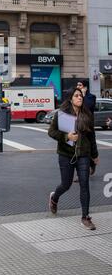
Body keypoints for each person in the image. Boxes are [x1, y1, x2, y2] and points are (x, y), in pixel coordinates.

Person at [48, 87, 99, 230]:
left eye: (81, 95)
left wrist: (94, 155)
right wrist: (67, 137)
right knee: (66, 184)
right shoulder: (62, 114)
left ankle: (85, 217)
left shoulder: (87, 114)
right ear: (71, 99)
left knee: (84, 184)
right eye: (76, 96)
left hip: (83, 154)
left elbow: (91, 136)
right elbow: (51, 132)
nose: (80, 98)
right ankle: (54, 197)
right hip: (66, 155)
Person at [76, 80, 97, 175]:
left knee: (91, 147)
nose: (78, 86)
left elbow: (88, 106)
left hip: (88, 126)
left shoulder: (91, 97)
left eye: (80, 85)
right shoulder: (77, 97)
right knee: (80, 148)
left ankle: (92, 164)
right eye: (77, 85)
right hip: (79, 126)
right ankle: (82, 172)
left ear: (85, 87)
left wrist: (84, 96)